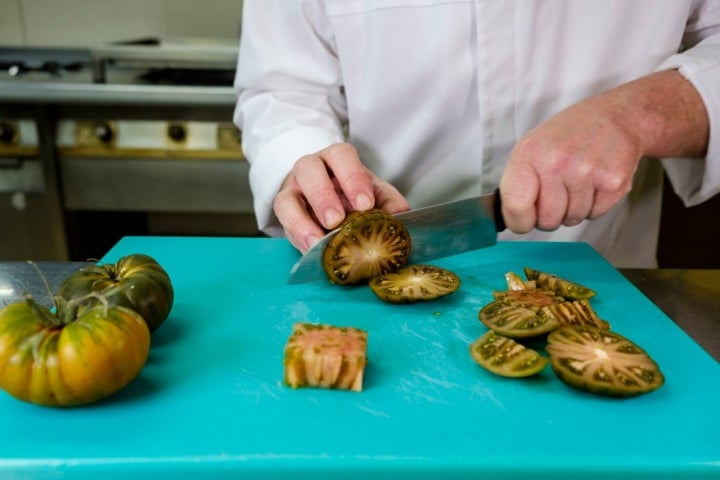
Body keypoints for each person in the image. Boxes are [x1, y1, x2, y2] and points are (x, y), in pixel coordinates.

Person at [233, 1, 720, 268]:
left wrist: (638, 116)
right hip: (382, 268)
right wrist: (305, 163)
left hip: (604, 269)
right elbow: (282, 88)